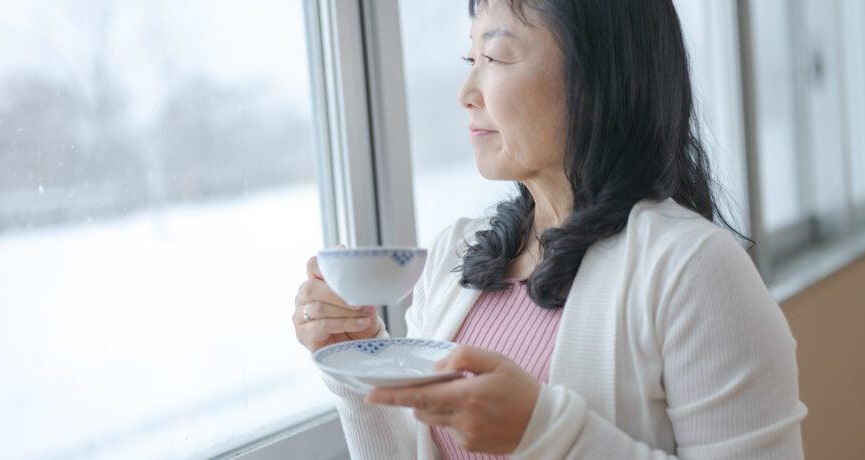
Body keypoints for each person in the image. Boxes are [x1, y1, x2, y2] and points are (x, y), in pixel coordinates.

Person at [292, 0, 808, 458]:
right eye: (470, 60)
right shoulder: (459, 256)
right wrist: (356, 363)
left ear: (598, 74)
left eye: (495, 58)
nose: (467, 92)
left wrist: (544, 432)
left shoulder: (694, 269)